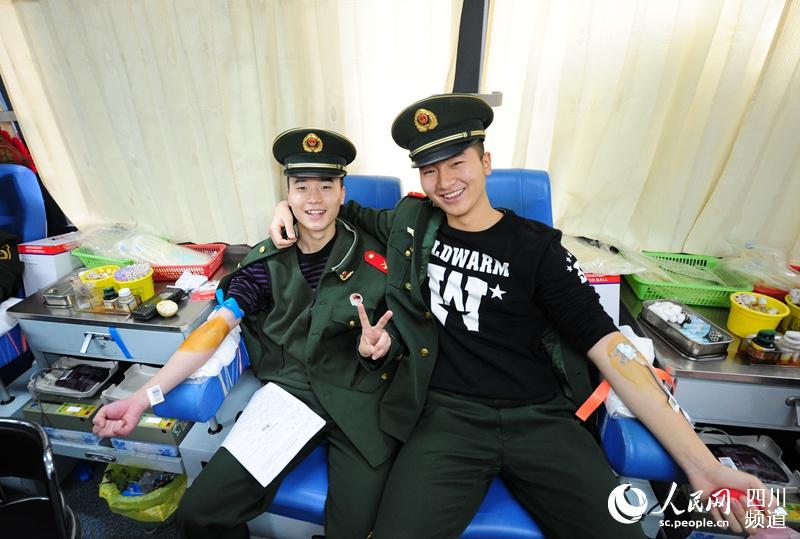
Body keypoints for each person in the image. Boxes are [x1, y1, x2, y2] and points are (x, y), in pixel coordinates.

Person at [269, 95, 768, 538]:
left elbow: (609, 345)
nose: (445, 182)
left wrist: (702, 466)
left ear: (485, 162)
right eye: (429, 170)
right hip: (447, 418)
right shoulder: (412, 223)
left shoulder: (537, 249)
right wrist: (284, 208)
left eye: (457, 162)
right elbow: (338, 210)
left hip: (540, 419)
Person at [94, 128, 406, 539]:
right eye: (301, 187)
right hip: (293, 395)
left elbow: (404, 330)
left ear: (342, 193)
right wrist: (142, 397)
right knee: (199, 514)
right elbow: (217, 326)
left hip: (361, 398)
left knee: (357, 531)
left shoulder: (376, 253)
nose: (314, 198)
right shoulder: (265, 264)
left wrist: (382, 345)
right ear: (287, 194)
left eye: (326, 186)